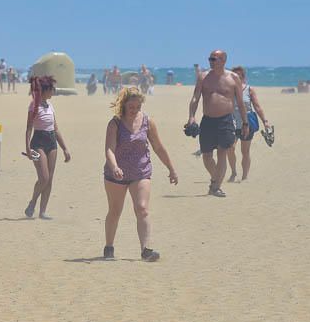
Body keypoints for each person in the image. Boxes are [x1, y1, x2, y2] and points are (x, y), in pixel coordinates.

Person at [103, 87, 178, 262]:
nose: (134, 110)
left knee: (142, 208)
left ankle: (146, 250)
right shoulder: (115, 123)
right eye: (131, 106)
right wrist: (114, 167)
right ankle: (109, 247)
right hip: (116, 174)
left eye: (137, 106)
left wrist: (171, 169)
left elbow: (158, 147)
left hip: (141, 171)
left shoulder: (147, 121)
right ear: (123, 105)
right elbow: (109, 149)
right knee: (115, 211)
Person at [186, 50, 248, 197]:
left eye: (214, 59)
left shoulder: (233, 78)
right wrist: (191, 117)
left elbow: (240, 102)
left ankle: (215, 187)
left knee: (222, 153)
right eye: (210, 59)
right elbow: (195, 98)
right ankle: (216, 179)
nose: (211, 61)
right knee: (207, 156)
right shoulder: (203, 77)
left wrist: (245, 122)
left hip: (226, 120)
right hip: (207, 120)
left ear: (223, 60)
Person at [24, 76, 71, 219]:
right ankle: (32, 202)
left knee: (50, 179)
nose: (54, 91)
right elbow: (28, 128)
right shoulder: (34, 105)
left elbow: (55, 129)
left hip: (51, 141)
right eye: (52, 89)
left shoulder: (50, 106)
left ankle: (42, 211)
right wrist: (27, 148)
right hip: (38, 141)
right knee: (43, 177)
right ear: (44, 90)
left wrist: (65, 148)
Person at [226, 66, 272, 181]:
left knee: (245, 151)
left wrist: (265, 121)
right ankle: (233, 172)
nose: (237, 77)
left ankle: (245, 176)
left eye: (239, 75)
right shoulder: (228, 89)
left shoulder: (249, 89)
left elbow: (257, 106)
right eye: (234, 75)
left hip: (247, 122)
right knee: (230, 148)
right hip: (232, 122)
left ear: (243, 76)